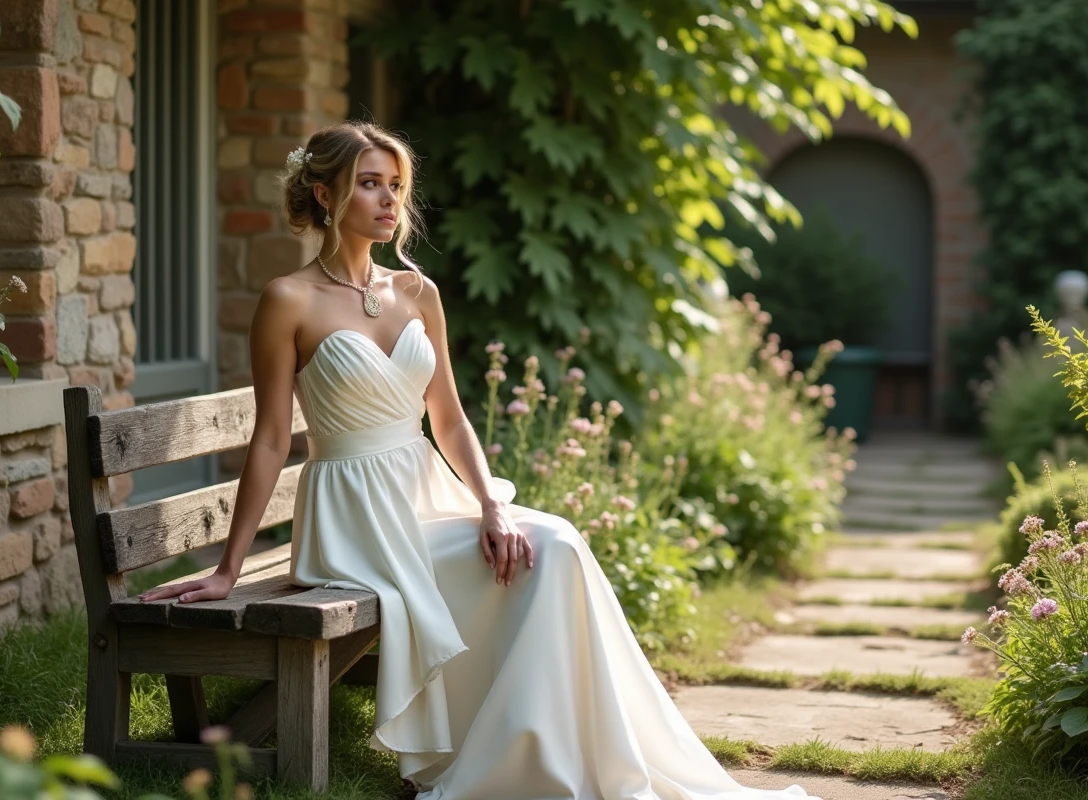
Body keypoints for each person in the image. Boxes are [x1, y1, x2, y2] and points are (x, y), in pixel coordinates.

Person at [137, 120, 818, 800]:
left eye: (396, 186)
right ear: (323, 191)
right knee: (549, 555)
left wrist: (492, 504)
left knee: (552, 547)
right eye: (369, 183)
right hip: (354, 520)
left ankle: (567, 756)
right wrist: (229, 567)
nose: (388, 201)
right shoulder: (288, 299)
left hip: (427, 495)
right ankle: (521, 766)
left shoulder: (417, 293)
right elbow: (269, 438)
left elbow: (449, 417)